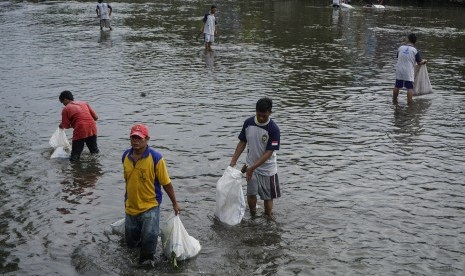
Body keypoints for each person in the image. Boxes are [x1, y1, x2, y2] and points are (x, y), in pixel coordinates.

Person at [122, 124, 181, 264]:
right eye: (133, 138)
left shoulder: (156, 158)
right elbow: (128, 180)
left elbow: (166, 183)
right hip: (131, 207)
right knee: (131, 244)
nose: (135, 141)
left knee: (149, 242)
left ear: (147, 139)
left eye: (139, 138)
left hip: (150, 207)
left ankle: (147, 265)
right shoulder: (125, 156)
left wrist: (175, 203)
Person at [229, 98, 281, 218]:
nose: (261, 118)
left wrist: (252, 168)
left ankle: (268, 218)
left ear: (270, 113)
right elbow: (242, 142)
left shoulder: (273, 129)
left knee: (267, 197)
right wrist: (233, 161)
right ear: (255, 111)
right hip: (250, 166)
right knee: (251, 195)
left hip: (268, 169)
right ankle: (253, 217)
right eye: (259, 114)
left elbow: (268, 153)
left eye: (264, 115)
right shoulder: (248, 123)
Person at [58, 90, 99, 161]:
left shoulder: (66, 108)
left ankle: (75, 170)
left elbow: (66, 126)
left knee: (74, 157)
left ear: (65, 99)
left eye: (62, 102)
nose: (63, 104)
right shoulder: (84, 103)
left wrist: (61, 125)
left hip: (81, 130)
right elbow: (96, 118)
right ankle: (95, 167)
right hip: (92, 128)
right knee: (94, 152)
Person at [393, 33, 427, 105]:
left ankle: (394, 100)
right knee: (410, 88)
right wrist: (424, 61)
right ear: (415, 41)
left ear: (408, 39)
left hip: (399, 69)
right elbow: (419, 62)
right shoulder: (414, 50)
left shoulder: (400, 48)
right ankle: (410, 103)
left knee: (397, 86)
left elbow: (398, 57)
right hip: (408, 71)